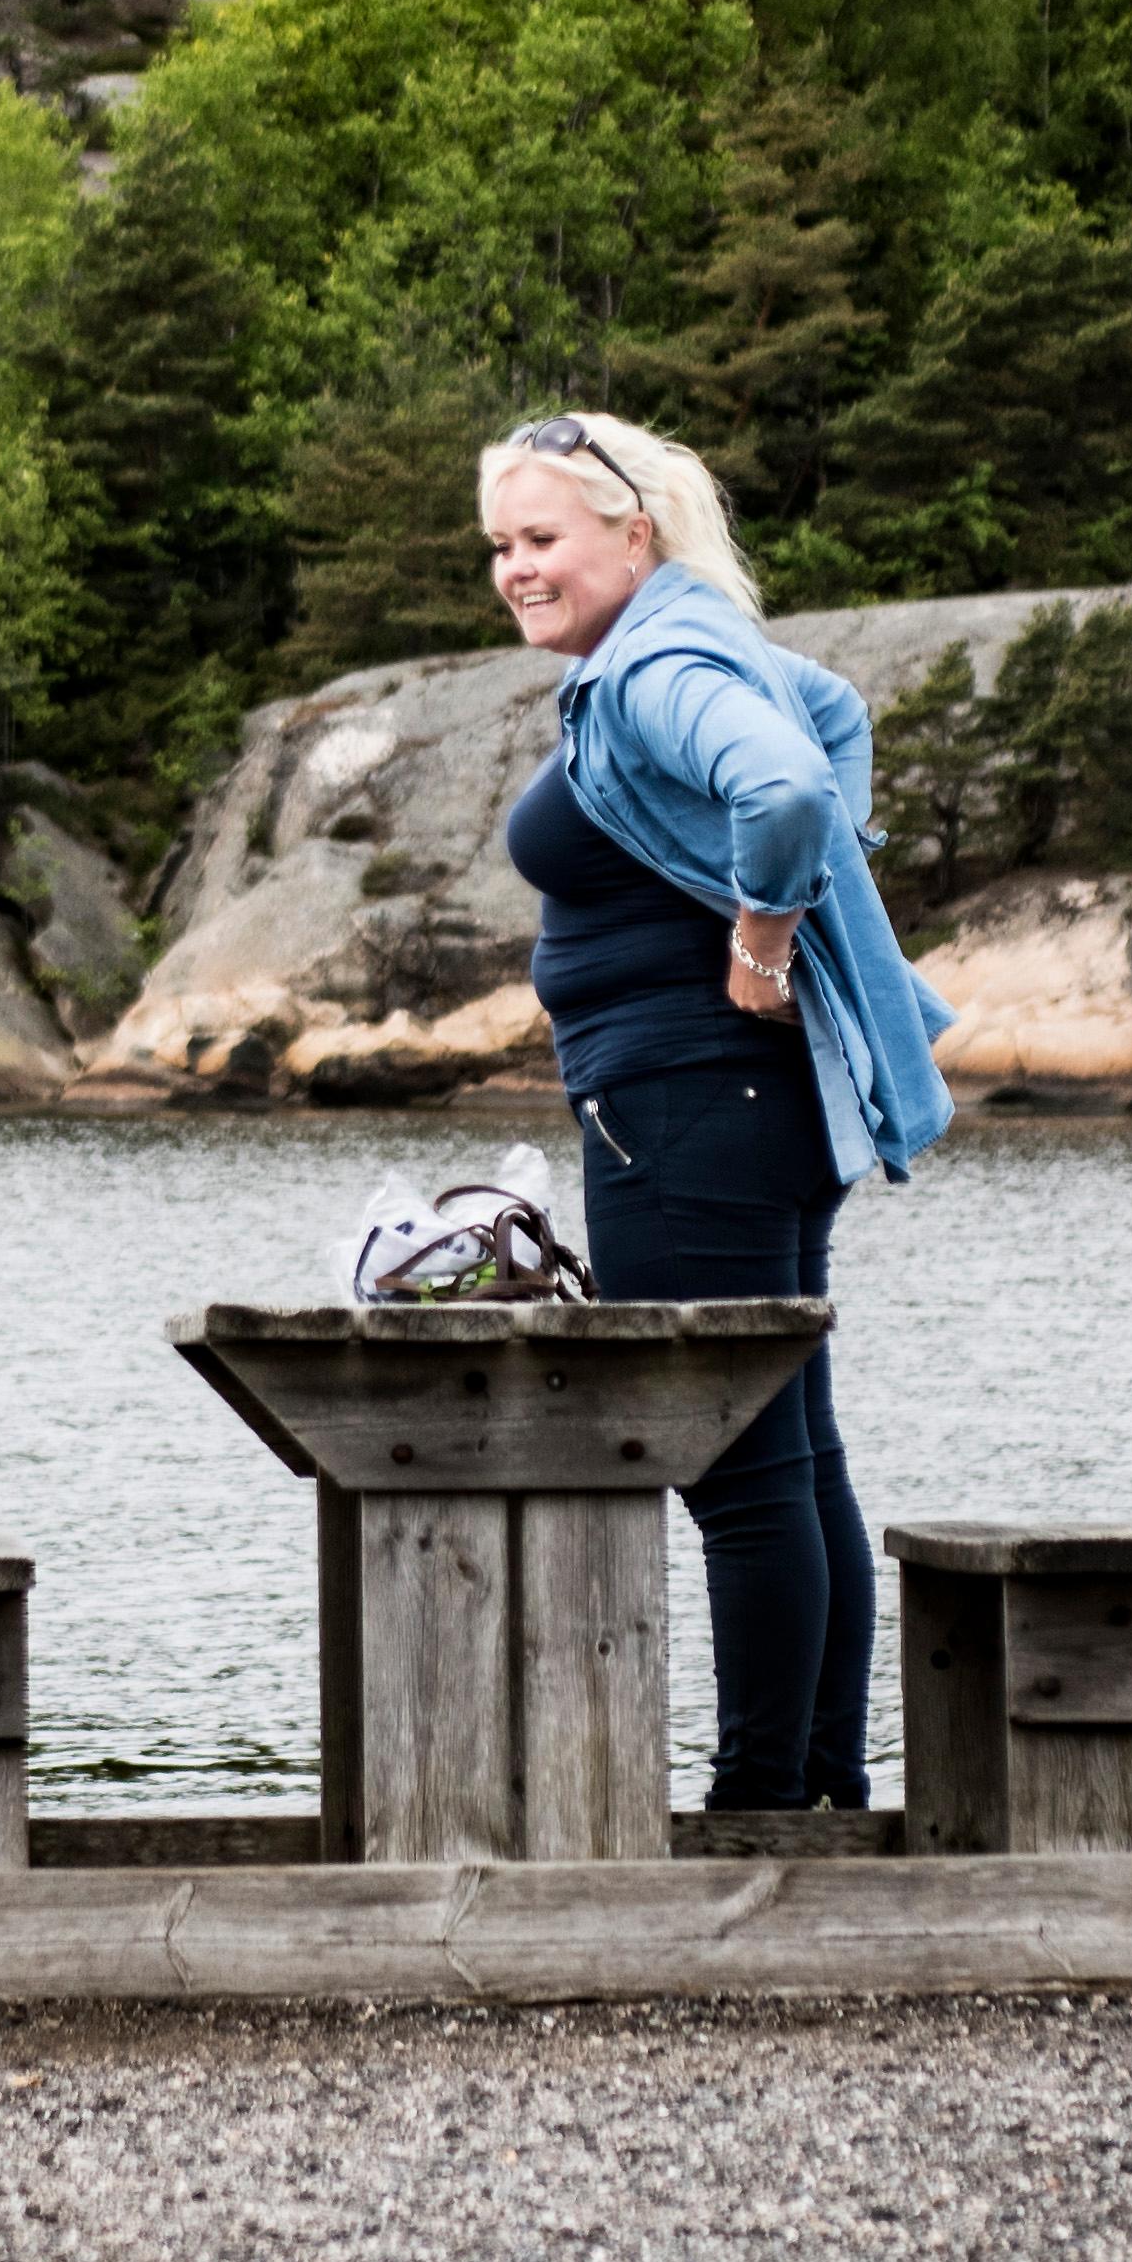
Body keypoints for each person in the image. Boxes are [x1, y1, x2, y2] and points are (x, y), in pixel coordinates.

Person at [477, 406, 955, 1815]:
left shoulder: (657, 663)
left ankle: (762, 1806)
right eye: (500, 543)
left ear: (634, 532)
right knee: (789, 1453)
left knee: (734, 1464)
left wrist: (761, 937)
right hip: (735, 1106)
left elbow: (790, 780)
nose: (514, 566)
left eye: (542, 537)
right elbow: (837, 716)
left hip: (695, 1106)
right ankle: (811, 1790)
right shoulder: (687, 641)